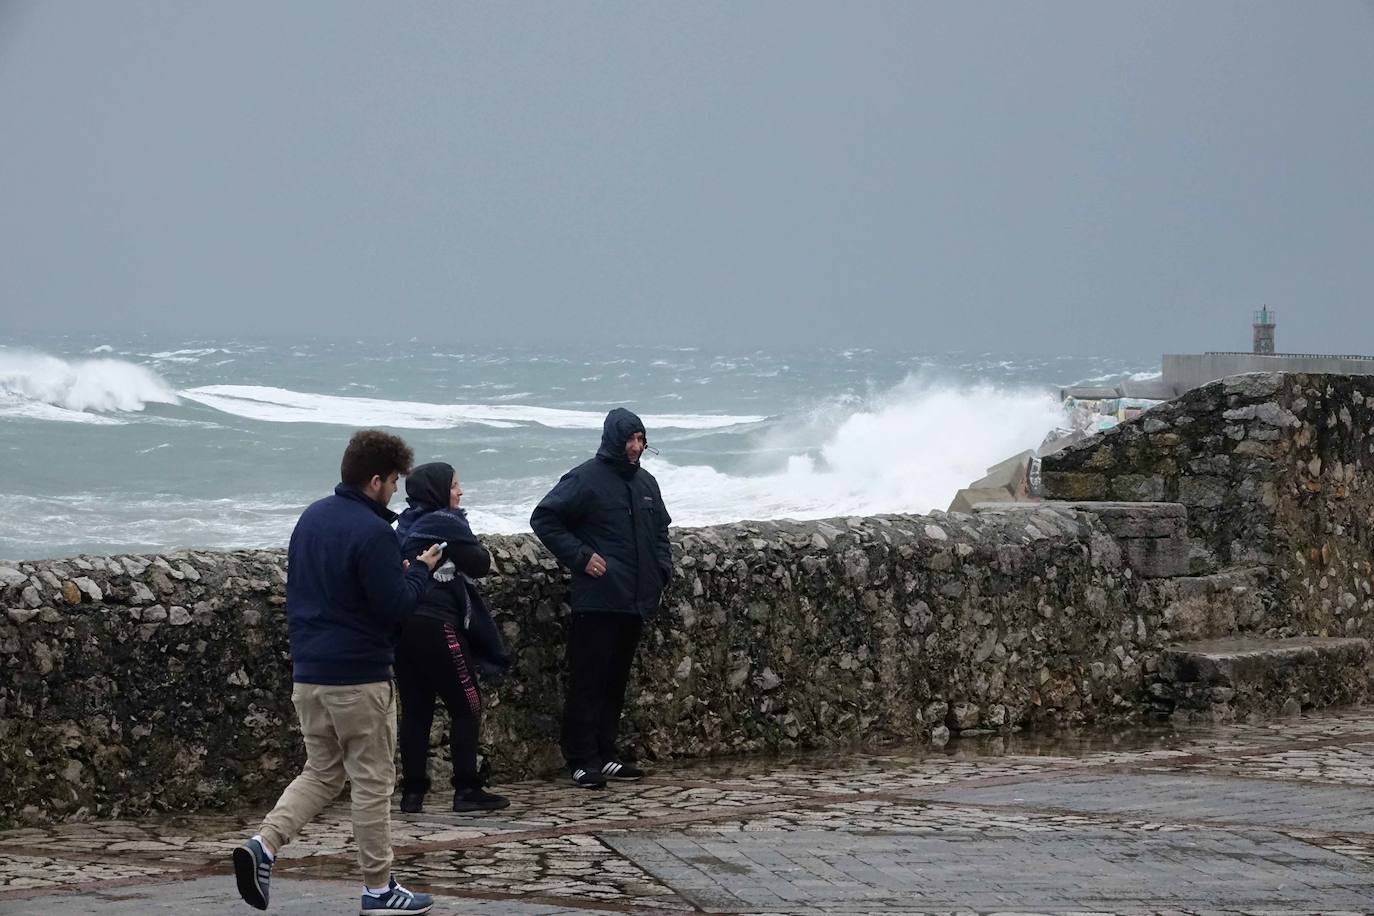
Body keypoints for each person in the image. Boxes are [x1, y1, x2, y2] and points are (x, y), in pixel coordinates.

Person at [233, 430, 442, 915]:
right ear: (374, 480)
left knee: (323, 772)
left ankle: (263, 845)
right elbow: (395, 608)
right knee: (371, 782)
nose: (394, 491)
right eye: (392, 482)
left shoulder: (312, 518)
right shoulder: (373, 533)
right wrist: (421, 571)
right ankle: (378, 889)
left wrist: (399, 570)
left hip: (309, 675)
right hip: (359, 678)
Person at [530, 408, 672, 789]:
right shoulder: (585, 479)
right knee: (588, 681)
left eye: (641, 439)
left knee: (615, 681)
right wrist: (581, 556)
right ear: (614, 439)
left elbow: (661, 531)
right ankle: (580, 759)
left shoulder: (646, 483)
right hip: (597, 599)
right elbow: (544, 518)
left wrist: (662, 572)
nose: (636, 446)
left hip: (636, 599)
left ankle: (606, 754)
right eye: (630, 439)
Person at [393, 461, 511, 814]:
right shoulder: (444, 525)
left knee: (416, 711)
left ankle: (412, 794)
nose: (460, 492)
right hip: (438, 626)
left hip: (403, 628)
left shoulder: (403, 526)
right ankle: (466, 790)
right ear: (438, 492)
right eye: (455, 486)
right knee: (467, 705)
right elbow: (480, 563)